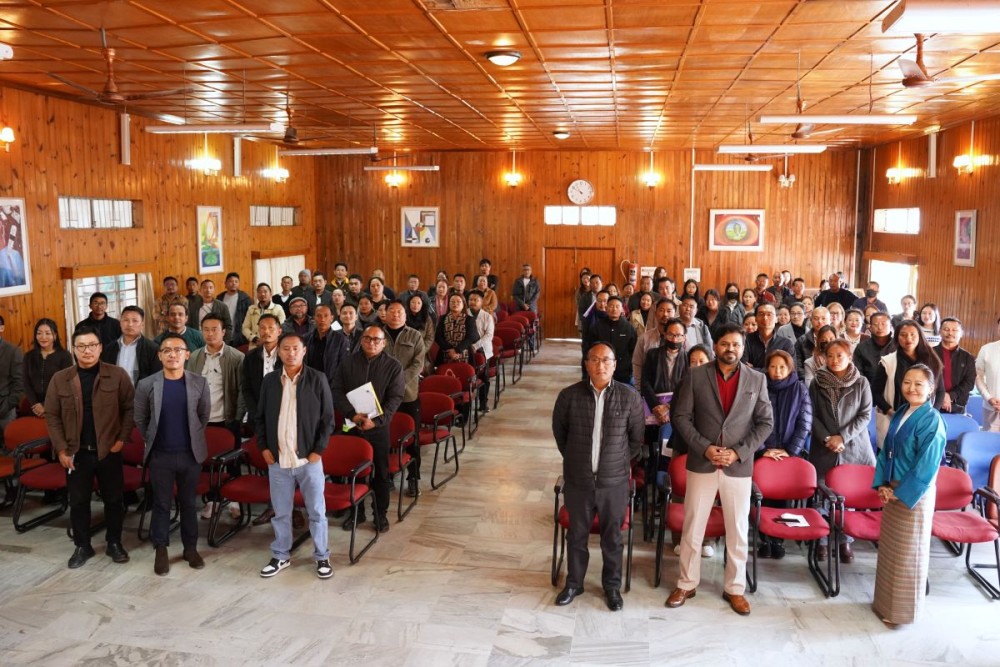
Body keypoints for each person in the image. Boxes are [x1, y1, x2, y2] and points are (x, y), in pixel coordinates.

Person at [666, 324, 773, 616]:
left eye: (736, 345)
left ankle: (734, 588)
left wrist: (738, 452)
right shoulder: (696, 375)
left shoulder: (757, 379)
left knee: (738, 529)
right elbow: (681, 416)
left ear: (743, 347)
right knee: (693, 526)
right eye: (725, 344)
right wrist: (705, 447)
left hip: (738, 466)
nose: (731, 349)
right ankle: (686, 583)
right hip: (702, 461)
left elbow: (765, 423)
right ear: (716, 347)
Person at [551, 342, 644, 612]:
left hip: (613, 482)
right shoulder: (569, 396)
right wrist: (578, 460)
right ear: (586, 363)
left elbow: (636, 440)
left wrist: (615, 463)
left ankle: (611, 587)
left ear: (615, 364)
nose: (600, 365)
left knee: (612, 538)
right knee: (576, 535)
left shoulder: (629, 397)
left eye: (606, 360)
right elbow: (561, 435)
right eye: (595, 360)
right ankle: (574, 583)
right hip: (578, 480)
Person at [45, 327, 134, 569]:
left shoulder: (117, 375)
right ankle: (82, 546)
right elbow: (52, 416)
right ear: (74, 349)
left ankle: (114, 543)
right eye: (81, 346)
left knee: (114, 500)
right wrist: (62, 449)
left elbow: (129, 409)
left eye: (92, 345)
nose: (87, 350)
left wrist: (121, 439)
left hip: (109, 451)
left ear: (100, 347)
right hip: (76, 453)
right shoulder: (60, 378)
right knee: (78, 501)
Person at [255, 332, 335, 580]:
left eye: (295, 349)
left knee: (316, 512)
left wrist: (317, 451)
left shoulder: (317, 379)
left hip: (307, 461)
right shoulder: (269, 381)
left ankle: (322, 556)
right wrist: (264, 448)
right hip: (278, 461)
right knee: (281, 512)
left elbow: (328, 420)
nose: (290, 353)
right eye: (286, 349)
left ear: (304, 351)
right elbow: (259, 418)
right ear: (279, 352)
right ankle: (281, 555)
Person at [872, 364, 947, 626]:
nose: (911, 388)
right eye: (907, 382)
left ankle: (902, 613)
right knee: (891, 551)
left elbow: (927, 465)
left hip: (914, 493)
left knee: (908, 553)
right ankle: (883, 604)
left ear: (930, 389)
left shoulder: (932, 419)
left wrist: (900, 492)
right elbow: (884, 451)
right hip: (891, 489)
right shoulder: (902, 411)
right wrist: (882, 484)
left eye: (919, 384)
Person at [134, 333, 212, 576]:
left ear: (187, 354)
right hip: (160, 456)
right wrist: (152, 441)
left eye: (178, 349)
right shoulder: (147, 384)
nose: (172, 354)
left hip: (190, 455)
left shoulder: (199, 382)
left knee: (189, 504)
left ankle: (190, 549)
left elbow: (203, 416)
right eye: (166, 350)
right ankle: (161, 549)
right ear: (159, 356)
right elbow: (140, 418)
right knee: (161, 504)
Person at [332, 325, 404, 534]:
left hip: (378, 428)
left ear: (384, 343)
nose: (371, 343)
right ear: (361, 340)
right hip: (352, 424)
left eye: (376, 340)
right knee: (354, 471)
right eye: (368, 339)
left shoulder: (393, 366)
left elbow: (395, 398)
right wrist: (351, 414)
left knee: (380, 473)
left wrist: (378, 421)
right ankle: (357, 511)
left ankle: (380, 514)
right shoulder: (348, 363)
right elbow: (337, 390)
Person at [809, 338, 874, 563]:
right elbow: (812, 415)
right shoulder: (816, 382)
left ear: (849, 357)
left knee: (849, 497)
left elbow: (865, 415)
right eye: (830, 356)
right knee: (822, 495)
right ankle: (822, 540)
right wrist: (828, 437)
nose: (835, 360)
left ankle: (845, 541)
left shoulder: (861, 382)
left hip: (854, 446)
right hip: (824, 446)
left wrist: (842, 437)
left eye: (840, 356)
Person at [756, 349, 812, 560]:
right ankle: (764, 539)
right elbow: (752, 419)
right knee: (763, 497)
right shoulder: (759, 385)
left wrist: (790, 451)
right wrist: (763, 449)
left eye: (782, 367)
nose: (777, 371)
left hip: (788, 452)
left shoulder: (800, 389)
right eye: (772, 366)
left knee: (783, 497)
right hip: (764, 452)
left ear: (789, 368)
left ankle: (778, 539)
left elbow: (804, 422)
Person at [188, 314, 245, 518]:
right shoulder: (194, 356)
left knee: (232, 460)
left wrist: (236, 417)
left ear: (223, 332)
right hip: (201, 420)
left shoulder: (237, 357)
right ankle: (212, 500)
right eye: (206, 329)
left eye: (215, 329)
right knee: (206, 461)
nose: (210, 333)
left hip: (227, 418)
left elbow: (241, 390)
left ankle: (235, 500)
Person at [874, 322, 944, 446]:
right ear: (896, 338)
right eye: (903, 335)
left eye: (913, 335)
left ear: (920, 336)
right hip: (894, 419)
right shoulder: (887, 361)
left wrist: (932, 414)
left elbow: (939, 391)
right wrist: (891, 412)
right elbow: (875, 393)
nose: (908, 339)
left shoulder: (932, 360)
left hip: (924, 420)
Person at [381, 301, 426, 495]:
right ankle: (388, 475)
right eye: (392, 311)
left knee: (411, 438)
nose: (396, 315)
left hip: (408, 395)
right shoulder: (376, 335)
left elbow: (418, 364)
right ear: (385, 314)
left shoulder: (414, 335)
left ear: (405, 316)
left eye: (400, 312)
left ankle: (413, 477)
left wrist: (398, 382)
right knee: (385, 436)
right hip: (382, 395)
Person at [23, 318, 72, 418]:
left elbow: (65, 384)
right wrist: (36, 405)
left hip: (58, 406)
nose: (43, 337)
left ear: (55, 336)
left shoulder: (65, 356)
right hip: (34, 408)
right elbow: (26, 383)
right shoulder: (29, 356)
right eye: (39, 333)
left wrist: (45, 405)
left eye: (47, 333)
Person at [101, 305, 162, 385]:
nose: (130, 324)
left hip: (141, 395)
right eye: (126, 320)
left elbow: (156, 377)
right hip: (115, 394)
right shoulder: (109, 348)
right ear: (120, 323)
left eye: (135, 321)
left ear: (142, 324)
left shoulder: (153, 348)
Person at [587, 296, 636, 384]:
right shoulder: (597, 327)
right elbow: (590, 349)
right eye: (611, 306)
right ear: (606, 308)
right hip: (601, 370)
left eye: (617, 306)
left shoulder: (629, 328)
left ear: (622, 309)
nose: (614, 309)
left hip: (623, 372)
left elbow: (633, 351)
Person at [632, 298, 678, 392]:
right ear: (655, 313)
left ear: (674, 313)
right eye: (661, 310)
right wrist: (640, 390)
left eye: (669, 311)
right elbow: (637, 365)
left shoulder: (680, 338)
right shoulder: (644, 338)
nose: (665, 314)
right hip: (649, 391)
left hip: (675, 392)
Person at [934, 318, 976, 415]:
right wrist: (941, 396)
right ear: (940, 331)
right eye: (946, 329)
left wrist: (950, 395)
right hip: (933, 403)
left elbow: (969, 383)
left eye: (954, 330)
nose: (950, 333)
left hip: (958, 404)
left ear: (961, 333)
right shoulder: (930, 354)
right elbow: (926, 379)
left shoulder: (968, 357)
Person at [742, 303, 794, 370]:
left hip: (777, 381)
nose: (765, 318)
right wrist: (774, 371)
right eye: (761, 314)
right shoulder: (746, 340)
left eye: (769, 314)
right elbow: (743, 369)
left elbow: (791, 372)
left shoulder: (786, 344)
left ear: (776, 319)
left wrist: (753, 369)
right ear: (755, 319)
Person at [467, 290, 495, 411]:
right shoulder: (464, 314)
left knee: (484, 378)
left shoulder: (487, 316)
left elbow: (489, 335)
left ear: (481, 302)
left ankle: (483, 403)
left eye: (476, 300)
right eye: (471, 300)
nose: (473, 302)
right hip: (467, 350)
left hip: (483, 350)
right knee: (467, 377)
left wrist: (476, 346)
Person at [435, 293, 480, 365]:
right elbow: (438, 336)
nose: (455, 303)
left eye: (458, 302)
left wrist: (457, 350)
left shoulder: (469, 319)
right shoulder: (443, 318)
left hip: (465, 352)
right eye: (452, 301)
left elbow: (472, 337)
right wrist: (449, 350)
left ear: (463, 304)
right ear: (448, 304)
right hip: (446, 352)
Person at [854, 311, 893, 389]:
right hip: (869, 389)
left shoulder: (898, 345)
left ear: (890, 326)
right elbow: (858, 373)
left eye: (883, 324)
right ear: (870, 328)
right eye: (876, 324)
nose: (880, 327)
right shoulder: (861, 347)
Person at [0, 314, 24, 437]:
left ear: (2, 328)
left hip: (5, 410)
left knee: (8, 450)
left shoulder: (13, 351)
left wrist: (8, 405)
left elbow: (20, 383)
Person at [242, 282, 286, 348]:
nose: (262, 294)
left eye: (265, 291)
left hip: (273, 344)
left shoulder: (277, 308)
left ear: (270, 294)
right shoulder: (251, 309)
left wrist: (265, 340)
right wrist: (255, 339)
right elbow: (245, 327)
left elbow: (281, 327)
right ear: (257, 294)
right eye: (259, 292)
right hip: (255, 344)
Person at [975, 316, 1000, 431]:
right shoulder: (987, 349)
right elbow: (978, 377)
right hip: (991, 407)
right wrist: (988, 398)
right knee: (989, 446)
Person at [794, 306, 831, 376]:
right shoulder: (802, 341)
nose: (820, 321)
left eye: (823, 318)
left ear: (830, 320)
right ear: (811, 320)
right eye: (816, 318)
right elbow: (797, 366)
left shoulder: (836, 340)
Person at [219, 272, 252, 348]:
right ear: (226, 283)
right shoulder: (220, 298)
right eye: (231, 281)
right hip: (223, 336)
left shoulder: (245, 298)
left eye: (236, 281)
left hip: (240, 336)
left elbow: (250, 318)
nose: (233, 283)